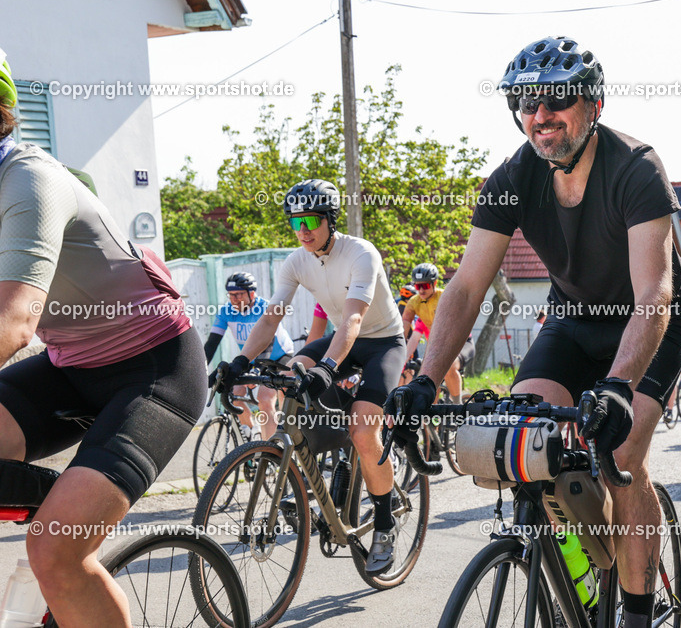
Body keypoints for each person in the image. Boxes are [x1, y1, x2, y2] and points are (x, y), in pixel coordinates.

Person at [385, 36, 681, 628]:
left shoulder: (636, 168)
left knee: (621, 453)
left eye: (555, 100)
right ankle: (572, 565)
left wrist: (618, 387)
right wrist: (424, 381)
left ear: (592, 105)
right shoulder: (512, 176)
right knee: (525, 436)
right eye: (527, 103)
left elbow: (653, 292)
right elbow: (467, 286)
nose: (539, 115)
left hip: (651, 322)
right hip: (576, 321)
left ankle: (634, 608)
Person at [0, 48, 206, 625]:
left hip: (155, 369)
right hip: (70, 367)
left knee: (56, 553)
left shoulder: (29, 181)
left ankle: (63, 524)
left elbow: (13, 325)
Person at [213, 178, 405, 575]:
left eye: (311, 221)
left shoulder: (361, 254)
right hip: (341, 339)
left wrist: (329, 369)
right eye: (295, 222)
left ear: (330, 220)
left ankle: (385, 524)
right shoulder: (297, 260)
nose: (302, 230)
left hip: (381, 342)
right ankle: (312, 478)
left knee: (363, 429)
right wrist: (239, 363)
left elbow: (353, 319)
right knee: (289, 376)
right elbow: (271, 317)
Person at [204, 271, 294, 438]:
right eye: (231, 295)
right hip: (250, 357)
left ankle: (271, 451)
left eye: (239, 294)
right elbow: (211, 344)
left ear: (252, 293)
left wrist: (257, 371)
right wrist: (200, 369)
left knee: (265, 398)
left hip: (278, 356)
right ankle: (254, 434)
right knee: (234, 394)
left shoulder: (265, 307)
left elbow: (267, 342)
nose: (234, 299)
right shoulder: (226, 311)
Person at [401, 263, 470, 400]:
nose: (421, 290)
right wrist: (401, 355)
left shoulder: (445, 297)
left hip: (460, 342)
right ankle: (430, 413)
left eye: (425, 286)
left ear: (435, 283)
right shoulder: (414, 303)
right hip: (437, 347)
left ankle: (457, 408)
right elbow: (409, 333)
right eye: (417, 286)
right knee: (427, 377)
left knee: (448, 366)